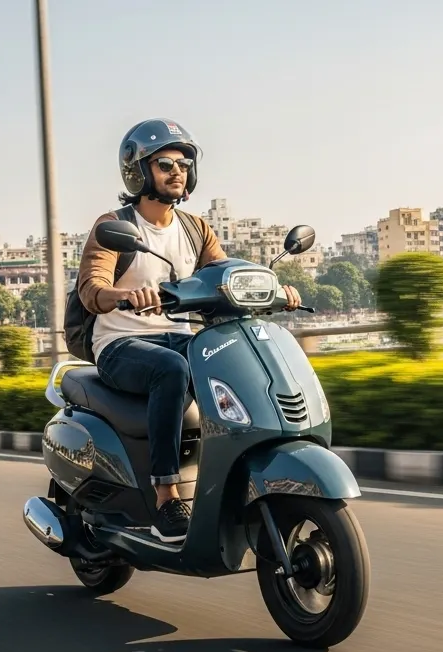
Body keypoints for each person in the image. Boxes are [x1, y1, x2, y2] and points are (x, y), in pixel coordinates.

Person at [76, 119, 300, 544]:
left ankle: (229, 477)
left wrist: (273, 290)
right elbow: (92, 289)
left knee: (237, 358)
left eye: (184, 163)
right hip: (122, 343)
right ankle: (166, 496)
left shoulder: (196, 228)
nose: (177, 171)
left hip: (179, 336)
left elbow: (223, 274)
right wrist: (122, 296)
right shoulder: (115, 226)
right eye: (164, 163)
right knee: (172, 370)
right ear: (139, 172)